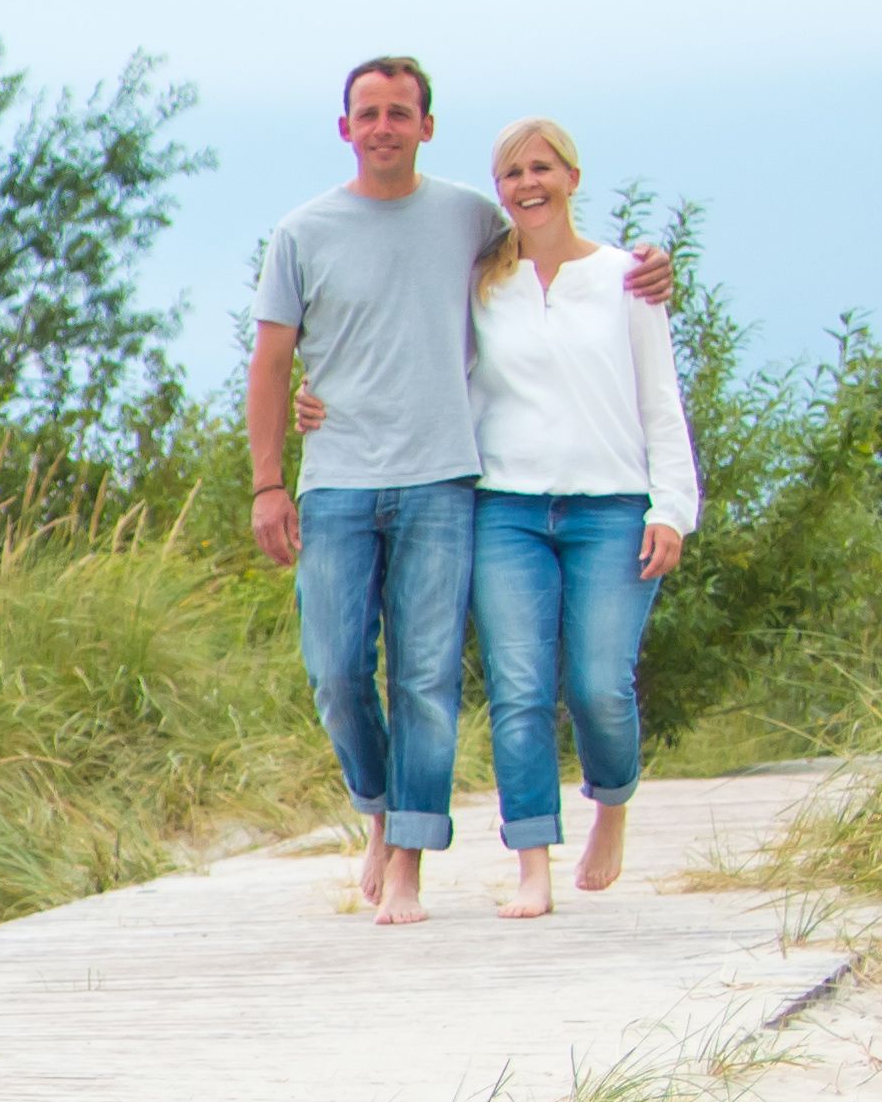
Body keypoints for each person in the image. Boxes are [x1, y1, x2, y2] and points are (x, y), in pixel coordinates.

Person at [244, 54, 670, 923]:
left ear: (426, 127)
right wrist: (269, 478)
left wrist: (649, 268)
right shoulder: (302, 232)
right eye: (369, 113)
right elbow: (274, 358)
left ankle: (409, 861)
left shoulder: (469, 222)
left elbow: (567, 265)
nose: (384, 127)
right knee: (335, 673)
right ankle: (378, 812)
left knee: (429, 681)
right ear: (345, 127)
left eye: (401, 112)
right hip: (339, 483)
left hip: (446, 483)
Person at [463, 115, 698, 917]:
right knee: (519, 686)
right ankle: (532, 864)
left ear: (571, 176)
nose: (527, 185)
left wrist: (671, 507)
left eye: (541, 168)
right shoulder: (483, 283)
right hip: (508, 510)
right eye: (511, 174)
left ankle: (613, 804)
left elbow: (659, 399)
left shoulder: (626, 277)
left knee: (599, 684)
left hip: (612, 507)